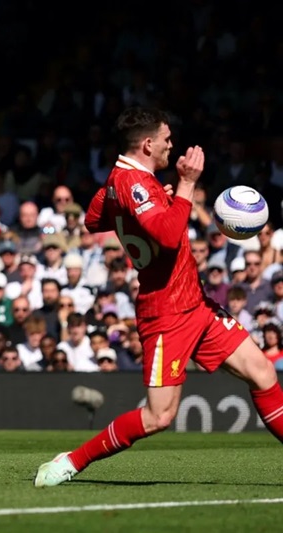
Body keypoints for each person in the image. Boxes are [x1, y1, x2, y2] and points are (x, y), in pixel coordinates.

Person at [34, 106, 283, 487]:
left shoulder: (122, 183)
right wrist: (184, 186)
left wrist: (152, 207)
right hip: (166, 312)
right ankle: (71, 461)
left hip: (195, 303)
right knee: (159, 416)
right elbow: (167, 238)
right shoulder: (136, 185)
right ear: (148, 144)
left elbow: (94, 218)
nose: (172, 146)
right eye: (167, 140)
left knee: (263, 373)